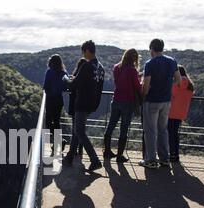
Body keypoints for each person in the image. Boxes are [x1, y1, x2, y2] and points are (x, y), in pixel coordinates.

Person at [63, 40, 104, 172]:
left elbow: (73, 85)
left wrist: (66, 79)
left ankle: (95, 160)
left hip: (82, 103)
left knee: (79, 131)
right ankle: (69, 157)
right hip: (93, 104)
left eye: (83, 51)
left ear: (87, 51)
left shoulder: (87, 66)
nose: (83, 54)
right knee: (77, 130)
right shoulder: (101, 68)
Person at [140, 38, 181, 169]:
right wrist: (167, 85)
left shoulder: (150, 63)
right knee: (163, 130)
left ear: (151, 49)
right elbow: (178, 80)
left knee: (150, 131)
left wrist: (142, 95)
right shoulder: (172, 61)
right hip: (166, 101)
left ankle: (151, 160)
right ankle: (164, 159)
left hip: (152, 101)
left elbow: (146, 87)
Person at [103, 48, 142, 163]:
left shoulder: (116, 68)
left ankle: (107, 151)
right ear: (134, 58)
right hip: (127, 102)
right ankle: (120, 155)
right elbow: (137, 87)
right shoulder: (132, 70)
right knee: (123, 129)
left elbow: (118, 82)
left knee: (110, 126)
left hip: (116, 100)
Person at [168, 65, 195, 162]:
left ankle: (172, 155)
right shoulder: (189, 85)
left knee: (170, 134)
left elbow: (169, 91)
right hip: (181, 114)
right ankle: (176, 155)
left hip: (171, 112)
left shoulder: (177, 83)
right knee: (175, 134)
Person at [43, 54, 68, 154]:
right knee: (57, 121)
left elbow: (45, 86)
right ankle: (59, 141)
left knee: (49, 122)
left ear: (51, 62)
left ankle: (59, 141)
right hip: (59, 99)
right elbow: (65, 87)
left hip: (50, 99)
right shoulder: (64, 72)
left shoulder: (49, 72)